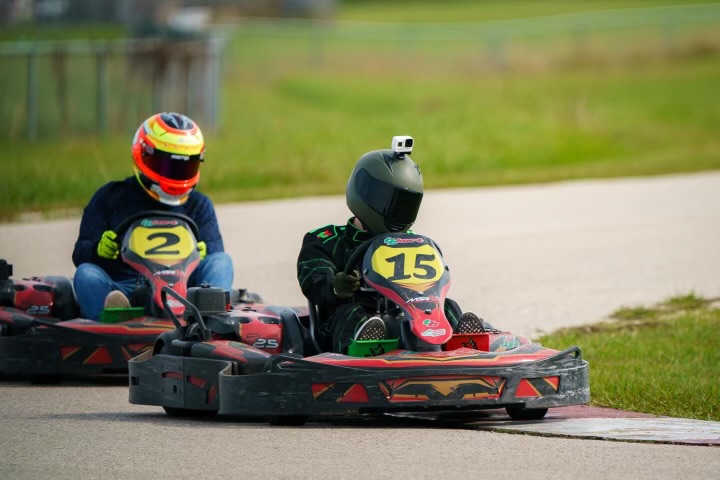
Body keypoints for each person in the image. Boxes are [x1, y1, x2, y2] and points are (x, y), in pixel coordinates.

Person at [296, 138, 483, 354]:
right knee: (354, 313)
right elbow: (312, 278)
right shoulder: (326, 240)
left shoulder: (414, 243)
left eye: (407, 206)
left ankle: (465, 349)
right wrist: (335, 286)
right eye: (394, 204)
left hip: (408, 317)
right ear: (368, 196)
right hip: (344, 325)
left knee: (448, 306)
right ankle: (361, 350)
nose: (400, 213)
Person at [72, 112, 233, 320]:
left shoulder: (198, 205)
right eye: (168, 165)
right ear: (144, 154)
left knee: (222, 261)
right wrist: (98, 249)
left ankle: (209, 320)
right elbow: (80, 254)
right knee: (86, 274)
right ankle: (113, 320)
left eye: (184, 166)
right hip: (126, 287)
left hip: (186, 292)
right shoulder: (112, 197)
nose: (175, 173)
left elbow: (216, 257)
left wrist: (204, 252)